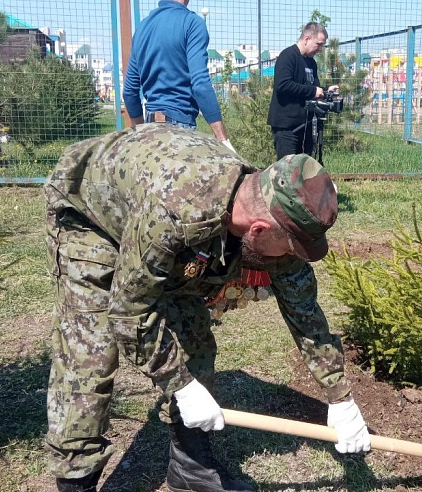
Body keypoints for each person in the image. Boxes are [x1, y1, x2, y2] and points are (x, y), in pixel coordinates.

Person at [44, 124, 371, 492]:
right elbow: (129, 311)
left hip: (156, 210)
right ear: (260, 230)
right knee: (92, 350)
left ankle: (190, 467)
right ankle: (77, 481)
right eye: (291, 247)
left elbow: (303, 309)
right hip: (89, 212)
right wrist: (180, 385)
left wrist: (339, 396)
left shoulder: (271, 203)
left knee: (193, 334)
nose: (292, 256)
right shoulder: (177, 211)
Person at [122, 0, 234, 152]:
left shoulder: (142, 28)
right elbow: (200, 85)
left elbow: (129, 91)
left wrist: (140, 132)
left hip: (150, 128)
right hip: (180, 131)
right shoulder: (192, 23)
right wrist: (223, 140)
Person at [267, 22, 339, 160]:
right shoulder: (288, 56)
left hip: (305, 125)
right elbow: (282, 85)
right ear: (307, 39)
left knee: (305, 171)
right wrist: (312, 91)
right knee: (288, 173)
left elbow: (311, 87)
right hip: (287, 128)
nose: (320, 49)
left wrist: (325, 91)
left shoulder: (311, 62)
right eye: (318, 44)